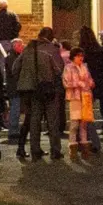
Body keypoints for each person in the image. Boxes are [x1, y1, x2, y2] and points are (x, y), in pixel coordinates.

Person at [15, 26, 66, 162]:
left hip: (32, 91)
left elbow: (15, 67)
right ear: (50, 37)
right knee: (52, 121)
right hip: (49, 89)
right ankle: (55, 150)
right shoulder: (51, 50)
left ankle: (35, 150)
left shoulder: (28, 49)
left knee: (34, 121)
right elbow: (59, 69)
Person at [64, 42, 98, 161]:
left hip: (85, 96)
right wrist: (78, 83)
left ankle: (85, 147)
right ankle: (73, 146)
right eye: (78, 56)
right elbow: (66, 83)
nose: (81, 58)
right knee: (74, 123)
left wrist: (91, 83)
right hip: (75, 97)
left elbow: (89, 79)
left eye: (82, 56)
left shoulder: (84, 67)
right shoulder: (68, 67)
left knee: (84, 122)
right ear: (73, 56)